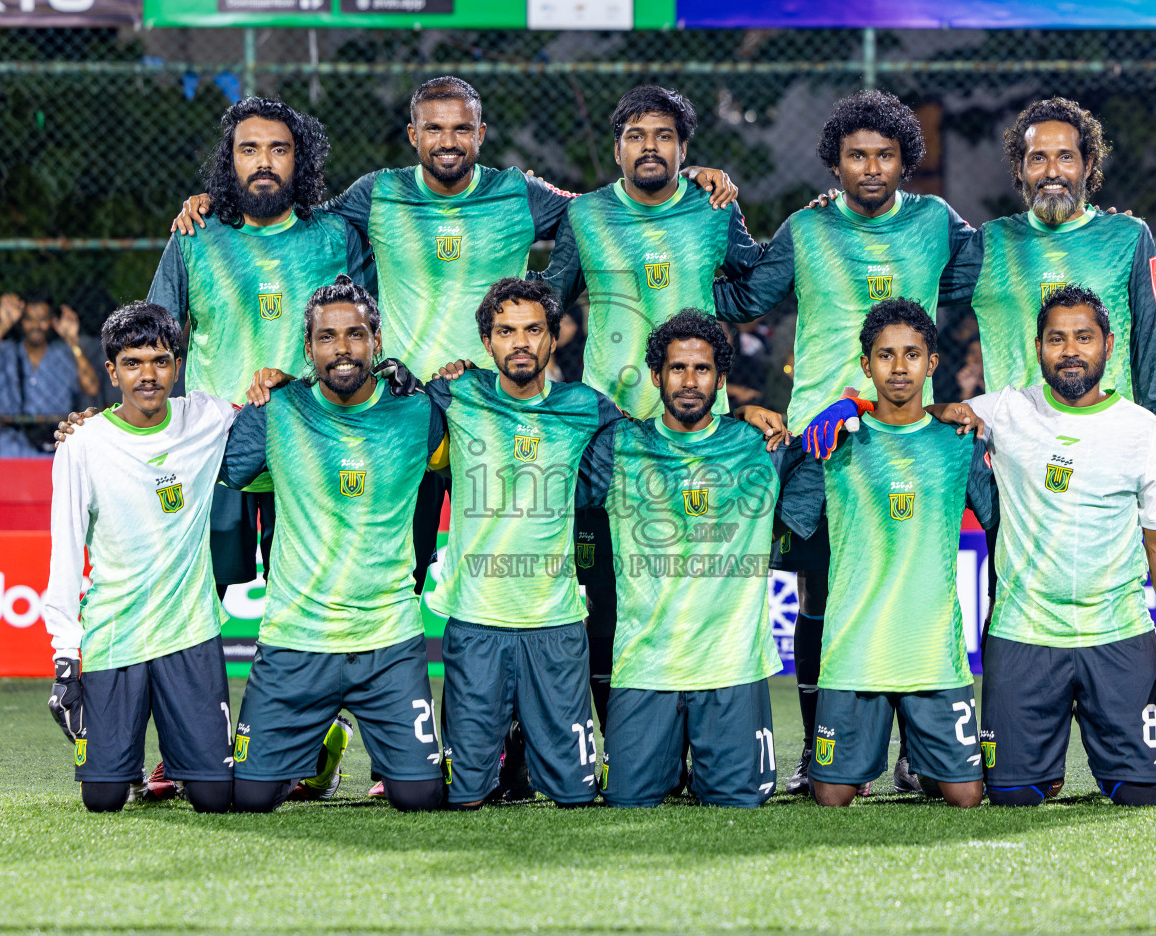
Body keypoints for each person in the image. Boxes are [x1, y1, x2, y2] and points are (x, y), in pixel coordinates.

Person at [171, 78, 737, 606]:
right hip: (404, 412)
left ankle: (508, 707)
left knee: (507, 567)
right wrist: (213, 206)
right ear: (414, 135)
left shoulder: (519, 193)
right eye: (435, 129)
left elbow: (605, 208)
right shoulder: (377, 194)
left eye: (462, 129)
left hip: (489, 414)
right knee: (395, 571)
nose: (449, 141)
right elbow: (294, 217)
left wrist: (685, 183)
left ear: (481, 135)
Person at [709, 90, 979, 796]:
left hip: (908, 439)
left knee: (910, 592)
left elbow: (988, 275)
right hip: (823, 447)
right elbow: (744, 297)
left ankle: (922, 754)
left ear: (905, 162)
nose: (871, 167)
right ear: (835, 164)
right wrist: (716, 213)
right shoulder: (807, 229)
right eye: (857, 155)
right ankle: (816, 754)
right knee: (820, 595)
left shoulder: (934, 223)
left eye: (886, 155)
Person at [535, 84, 763, 730]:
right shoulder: (586, 216)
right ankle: (612, 739)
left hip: (700, 435)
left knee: (693, 586)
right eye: (635, 136)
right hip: (612, 434)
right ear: (617, 149)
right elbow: (548, 304)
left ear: (684, 149)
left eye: (664, 136)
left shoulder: (714, 209)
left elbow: (756, 277)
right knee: (606, 594)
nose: (649, 147)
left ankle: (696, 733)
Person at [937, 285, 1156, 807]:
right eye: (1056, 339)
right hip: (1024, 634)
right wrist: (857, 404)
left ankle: (1120, 763)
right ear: (1038, 348)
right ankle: (1040, 767)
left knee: (1138, 793)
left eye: (1084, 337)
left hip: (1118, 634)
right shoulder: (1007, 410)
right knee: (1015, 796)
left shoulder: (1142, 429)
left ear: (1108, 343)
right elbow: (923, 414)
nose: (1070, 350)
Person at [219, 277, 444, 813]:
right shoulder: (276, 410)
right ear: (307, 349)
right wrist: (94, 428)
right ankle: (321, 747)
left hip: (387, 641)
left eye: (355, 335)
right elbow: (206, 459)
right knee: (251, 799)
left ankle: (347, 740)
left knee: (421, 797)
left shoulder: (422, 414)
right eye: (327, 338)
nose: (342, 349)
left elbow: (499, 430)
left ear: (378, 341)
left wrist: (457, 378)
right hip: (295, 641)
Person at [576, 310, 796, 808]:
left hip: (731, 670)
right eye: (677, 368)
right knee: (626, 801)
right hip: (646, 669)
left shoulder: (761, 446)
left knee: (739, 804)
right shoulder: (619, 446)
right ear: (657, 377)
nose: (689, 380)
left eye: (702, 369)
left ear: (721, 378)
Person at [150, 96, 366, 599]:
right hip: (215, 452)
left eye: (278, 149)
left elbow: (366, 343)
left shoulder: (335, 236)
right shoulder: (195, 236)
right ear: (230, 161)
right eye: (249, 150)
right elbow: (154, 342)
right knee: (196, 605)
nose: (264, 162)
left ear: (300, 159)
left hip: (309, 447)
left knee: (311, 603)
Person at [426, 278, 623, 808]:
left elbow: (658, 440)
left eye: (533, 329)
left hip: (554, 624)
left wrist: (744, 415)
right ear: (486, 343)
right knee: (464, 796)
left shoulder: (587, 407)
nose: (520, 342)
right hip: (476, 619)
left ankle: (527, 748)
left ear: (553, 338)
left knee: (576, 796)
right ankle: (503, 749)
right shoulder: (453, 394)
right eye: (505, 331)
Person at [790, 299, 994, 809]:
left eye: (911, 354)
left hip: (933, 655)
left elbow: (1002, 520)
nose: (899, 367)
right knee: (831, 796)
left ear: (932, 363)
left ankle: (924, 762)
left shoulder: (958, 442)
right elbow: (779, 508)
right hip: (855, 653)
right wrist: (842, 409)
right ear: (866, 366)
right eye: (885, 356)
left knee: (966, 797)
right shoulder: (833, 442)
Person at [41, 301, 236, 814]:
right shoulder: (82, 445)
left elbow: (272, 415)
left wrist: (275, 382)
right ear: (112, 371)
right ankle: (121, 764)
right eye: (132, 363)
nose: (148, 375)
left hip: (189, 631)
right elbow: (66, 552)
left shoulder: (209, 418)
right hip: (114, 635)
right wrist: (65, 660)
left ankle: (194, 759)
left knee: (215, 798)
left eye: (160, 360)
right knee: (103, 798)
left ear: (177, 362)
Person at [949, 97, 1156, 451]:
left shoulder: (1127, 237)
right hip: (1018, 455)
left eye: (1065, 157)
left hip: (1108, 448)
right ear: (1020, 168)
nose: (1052, 171)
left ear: (1088, 165)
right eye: (1038, 158)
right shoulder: (993, 244)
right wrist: (844, 211)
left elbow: (1152, 351)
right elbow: (911, 275)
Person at [0, 293, 100, 457]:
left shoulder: (63, 354)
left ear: (51, 321)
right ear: (21, 321)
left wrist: (72, 341)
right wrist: (2, 326)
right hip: (12, 444)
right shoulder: (7, 351)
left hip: (53, 443)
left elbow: (91, 387)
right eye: (29, 319)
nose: (36, 325)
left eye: (42, 319)